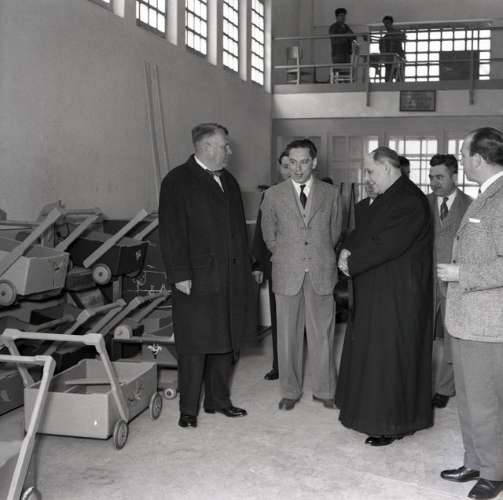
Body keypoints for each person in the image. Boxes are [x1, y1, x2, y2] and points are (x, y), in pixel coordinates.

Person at [158, 123, 254, 429]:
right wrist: (179, 274)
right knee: (195, 345)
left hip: (230, 276)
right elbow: (171, 232)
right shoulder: (177, 180)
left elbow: (239, 232)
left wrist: (247, 268)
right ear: (207, 147)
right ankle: (188, 409)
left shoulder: (229, 181)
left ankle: (218, 401)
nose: (229, 151)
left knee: (225, 340)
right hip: (196, 278)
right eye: (224, 145)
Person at [336, 146, 434, 446]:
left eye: (370, 171)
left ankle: (392, 424)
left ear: (388, 169)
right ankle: (368, 415)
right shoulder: (387, 197)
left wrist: (352, 263)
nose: (367, 177)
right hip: (378, 290)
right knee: (374, 356)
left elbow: (387, 243)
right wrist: (346, 249)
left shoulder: (409, 200)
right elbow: (364, 232)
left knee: (390, 359)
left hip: (398, 296)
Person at [438, 128, 503, 500]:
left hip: (487, 323)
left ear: (478, 159)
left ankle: (494, 472)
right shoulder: (485, 195)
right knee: (468, 399)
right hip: (466, 319)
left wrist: (462, 273)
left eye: (463, 155)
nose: (461, 161)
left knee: (486, 402)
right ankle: (474, 461)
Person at [261, 139, 342, 410]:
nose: (297, 168)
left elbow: (335, 232)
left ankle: (325, 390)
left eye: (304, 162)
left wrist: (317, 254)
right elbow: (269, 235)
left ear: (314, 162)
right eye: (293, 163)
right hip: (287, 272)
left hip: (321, 270)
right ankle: (290, 391)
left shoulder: (331, 193)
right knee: (287, 337)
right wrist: (289, 254)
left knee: (323, 334)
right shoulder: (273, 195)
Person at [427, 154, 472, 410]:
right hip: (424, 280)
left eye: (440, 177)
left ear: (454, 176)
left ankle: (445, 388)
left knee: (450, 337)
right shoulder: (421, 204)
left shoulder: (470, 205)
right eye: (431, 177)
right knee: (420, 334)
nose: (434, 182)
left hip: (454, 283)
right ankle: (419, 383)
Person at [252, 151, 291, 381]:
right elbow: (260, 231)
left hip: (308, 267)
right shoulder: (269, 195)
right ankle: (280, 365)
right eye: (285, 165)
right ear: (279, 168)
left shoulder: (315, 194)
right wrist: (257, 264)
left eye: (294, 164)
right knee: (279, 319)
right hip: (279, 267)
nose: (290, 170)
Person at [379, 15, 406, 82]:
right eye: (385, 24)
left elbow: (404, 37)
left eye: (387, 23)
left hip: (397, 59)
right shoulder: (385, 37)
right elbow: (382, 47)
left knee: (399, 78)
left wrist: (393, 37)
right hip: (389, 59)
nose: (386, 25)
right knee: (388, 78)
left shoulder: (397, 32)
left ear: (391, 23)